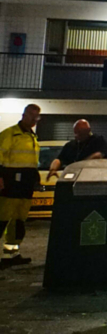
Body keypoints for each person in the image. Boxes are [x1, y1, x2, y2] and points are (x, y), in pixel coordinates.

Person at [0, 104, 41, 269]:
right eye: (31, 115)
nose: (33, 119)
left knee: (18, 221)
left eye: (36, 116)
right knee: (2, 218)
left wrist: (35, 178)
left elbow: (31, 162)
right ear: (24, 115)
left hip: (25, 184)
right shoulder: (10, 134)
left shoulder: (33, 136)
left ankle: (11, 254)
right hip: (10, 183)